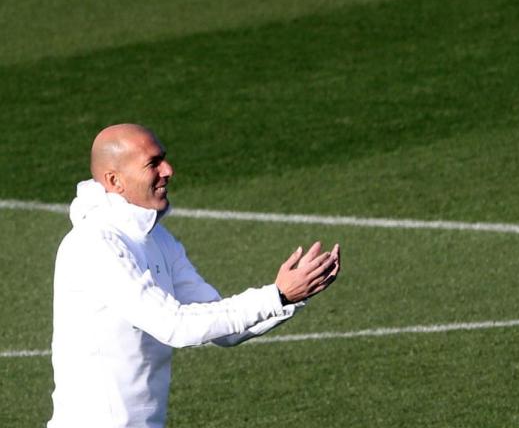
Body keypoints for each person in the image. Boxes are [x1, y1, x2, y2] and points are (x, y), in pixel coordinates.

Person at [48, 123, 340, 428]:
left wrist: (290, 296)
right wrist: (276, 295)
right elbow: (174, 325)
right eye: (153, 163)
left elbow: (225, 331)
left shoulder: (157, 238)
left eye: (164, 158)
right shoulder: (96, 244)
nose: (168, 170)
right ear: (114, 180)